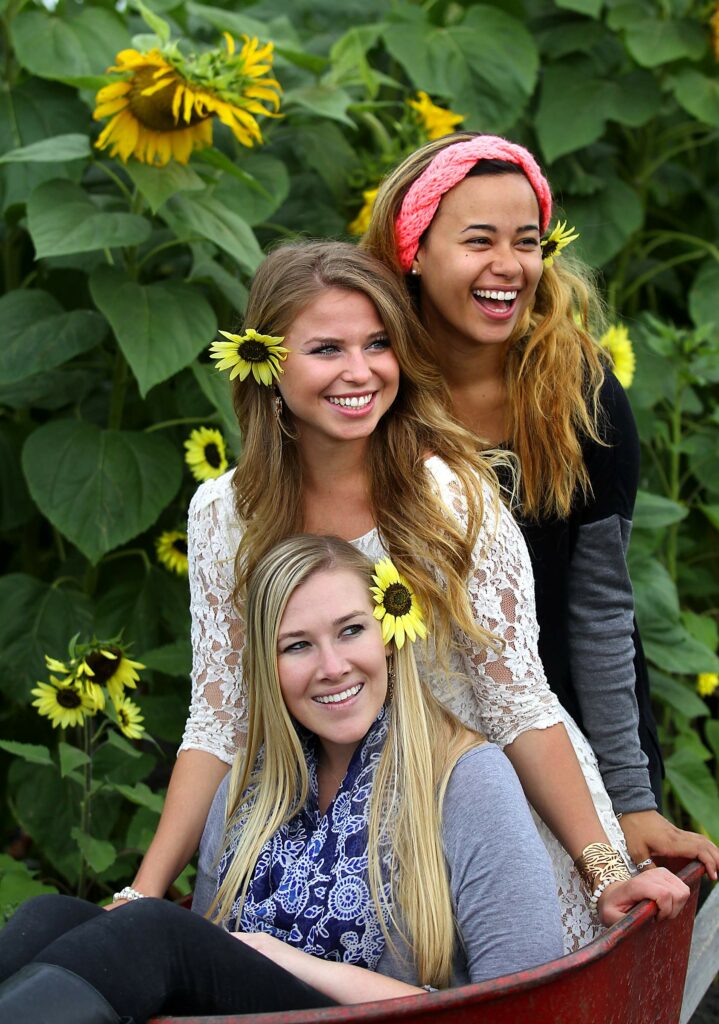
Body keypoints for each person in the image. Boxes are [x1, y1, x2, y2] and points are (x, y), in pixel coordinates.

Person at [107, 240, 702, 950]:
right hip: (314, 819)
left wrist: (603, 872)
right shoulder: (223, 515)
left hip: (464, 806)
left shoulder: (449, 498)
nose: (359, 373)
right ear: (267, 363)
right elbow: (218, 723)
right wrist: (143, 894)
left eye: (379, 344)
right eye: (327, 349)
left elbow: (517, 702)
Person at [0, 536, 578, 1020]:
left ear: (389, 634)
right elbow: (207, 961)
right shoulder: (249, 789)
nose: (332, 667)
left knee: (154, 929)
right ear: (267, 669)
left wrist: (287, 959)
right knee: (46, 916)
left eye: (351, 630)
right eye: (297, 646)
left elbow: (523, 1005)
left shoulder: (467, 779)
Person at [361, 132, 719, 875]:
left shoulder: (577, 392)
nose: (508, 266)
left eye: (526, 241)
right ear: (412, 249)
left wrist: (631, 800)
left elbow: (597, 610)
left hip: (552, 733)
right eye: (478, 240)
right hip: (386, 733)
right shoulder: (370, 386)